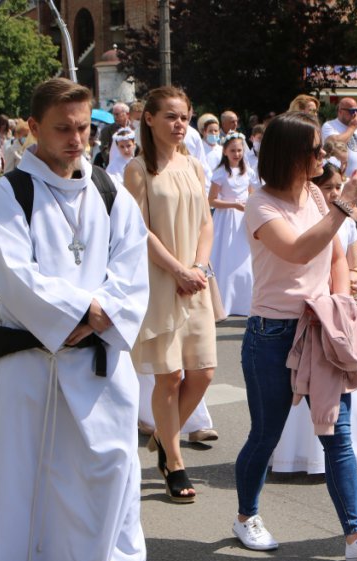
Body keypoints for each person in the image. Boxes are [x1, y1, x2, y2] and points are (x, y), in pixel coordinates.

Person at [0, 77, 164, 561]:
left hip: (98, 359)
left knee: (112, 468)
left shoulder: (108, 190)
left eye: (84, 128)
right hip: (31, 361)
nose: (77, 139)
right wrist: (84, 311)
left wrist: (101, 314)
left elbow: (131, 264)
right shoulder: (10, 193)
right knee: (31, 471)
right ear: (34, 128)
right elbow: (14, 274)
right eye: (63, 129)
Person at [234, 110, 357, 561]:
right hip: (272, 333)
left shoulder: (314, 194)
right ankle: (246, 517)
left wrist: (339, 306)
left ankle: (355, 537)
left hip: (320, 328)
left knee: (337, 435)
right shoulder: (260, 204)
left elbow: (336, 254)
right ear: (291, 155)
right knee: (266, 434)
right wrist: (345, 202)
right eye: (315, 150)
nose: (323, 155)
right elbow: (298, 249)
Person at [270, 160, 357, 473]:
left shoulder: (346, 223)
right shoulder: (305, 220)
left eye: (337, 187)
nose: (333, 193)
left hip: (340, 313)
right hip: (313, 311)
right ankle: (301, 453)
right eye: (327, 187)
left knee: (349, 382)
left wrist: (354, 278)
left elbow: (354, 262)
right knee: (310, 382)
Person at [125, 85, 217, 504]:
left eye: (184, 117)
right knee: (170, 375)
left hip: (195, 279)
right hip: (161, 279)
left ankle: (164, 436)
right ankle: (174, 462)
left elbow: (205, 222)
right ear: (150, 119)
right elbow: (139, 230)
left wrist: (198, 267)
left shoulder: (194, 165)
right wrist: (178, 270)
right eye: (171, 116)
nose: (179, 124)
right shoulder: (138, 169)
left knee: (203, 371)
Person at [209, 132, 257, 316]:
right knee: (226, 256)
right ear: (225, 152)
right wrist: (233, 205)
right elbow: (212, 200)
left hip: (243, 218)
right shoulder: (220, 173)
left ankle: (245, 300)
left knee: (244, 257)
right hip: (226, 218)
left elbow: (251, 194)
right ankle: (224, 301)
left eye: (239, 150)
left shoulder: (248, 171)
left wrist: (248, 205)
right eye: (233, 151)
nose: (237, 154)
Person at [322, 97, 357, 176]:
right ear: (340, 111)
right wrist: (352, 128)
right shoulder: (329, 125)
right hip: (340, 177)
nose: (355, 114)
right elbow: (333, 144)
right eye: (352, 111)